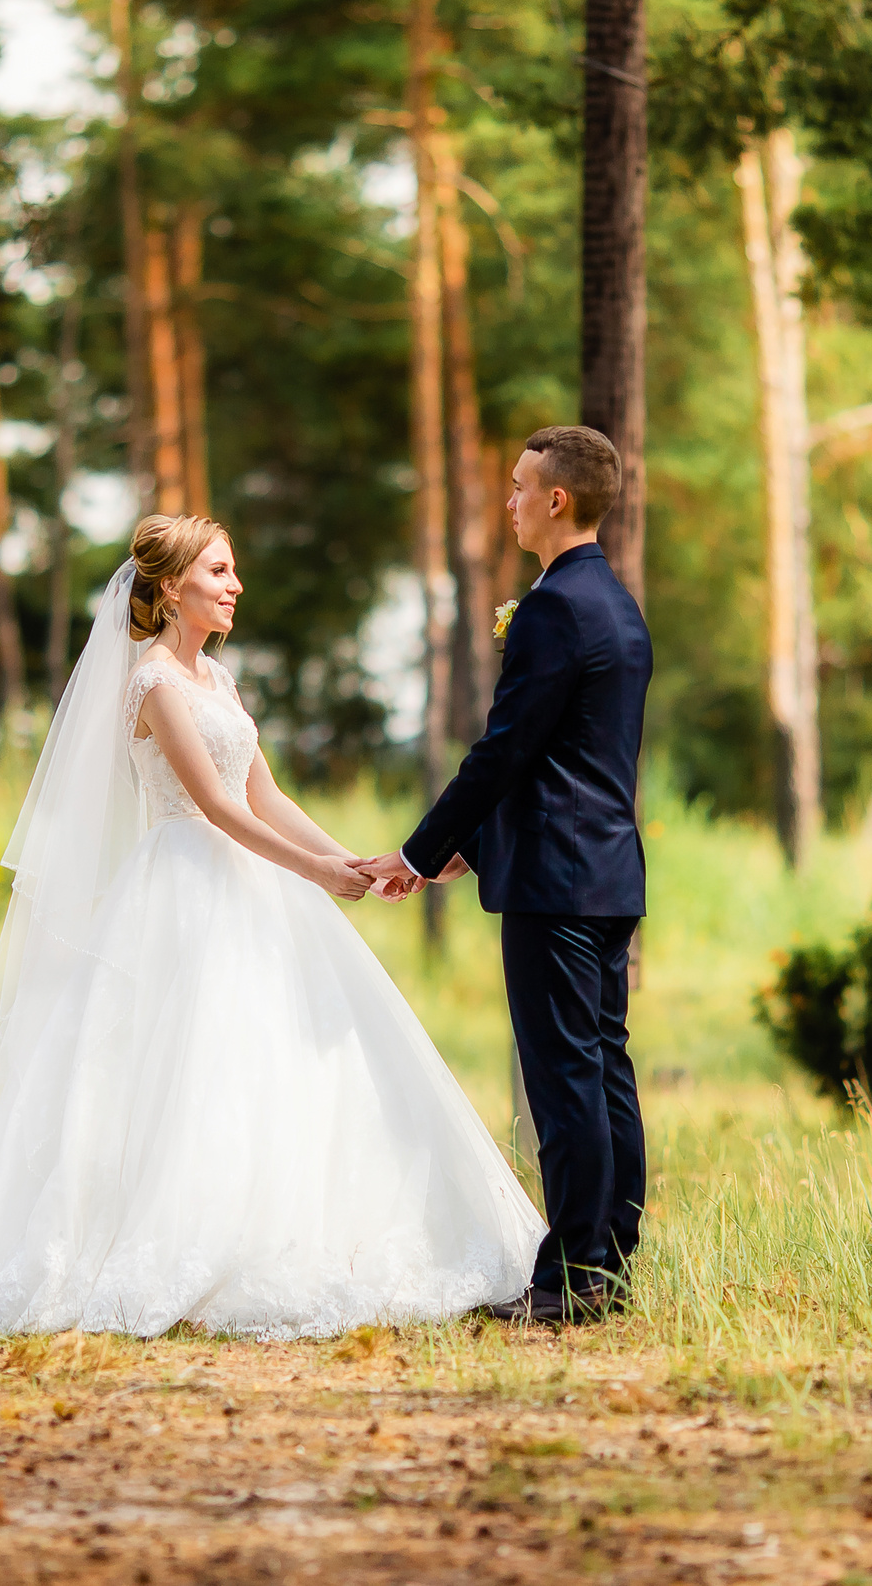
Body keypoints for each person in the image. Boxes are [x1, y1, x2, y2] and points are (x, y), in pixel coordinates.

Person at [0, 515, 541, 1343]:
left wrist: (351, 860)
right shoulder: (154, 683)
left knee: (275, 1060)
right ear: (172, 587)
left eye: (234, 569)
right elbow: (213, 804)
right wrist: (312, 871)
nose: (235, 584)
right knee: (182, 1067)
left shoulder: (219, 680)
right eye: (218, 570)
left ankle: (281, 1226)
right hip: (181, 884)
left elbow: (265, 795)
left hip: (254, 883)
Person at [354, 425, 654, 1327]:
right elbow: (571, 759)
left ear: (557, 498)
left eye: (522, 486)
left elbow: (505, 753)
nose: (511, 499)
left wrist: (415, 850)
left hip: (556, 885)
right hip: (603, 871)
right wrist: (472, 848)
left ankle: (571, 1278)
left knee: (565, 1079)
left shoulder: (558, 606)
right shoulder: (616, 603)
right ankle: (611, 1261)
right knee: (603, 1070)